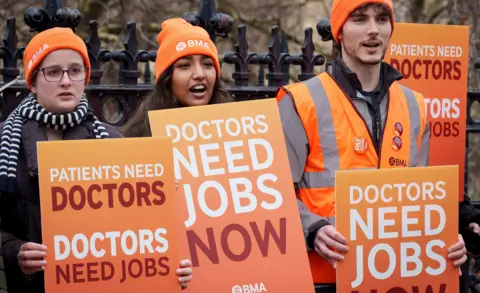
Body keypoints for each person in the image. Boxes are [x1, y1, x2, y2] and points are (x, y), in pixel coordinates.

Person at [276, 1, 468, 292]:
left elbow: (422, 201)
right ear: (340, 31)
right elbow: (273, 196)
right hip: (324, 278)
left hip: (397, 276)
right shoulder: (300, 102)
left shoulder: (415, 105)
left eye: (381, 19)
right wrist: (312, 229)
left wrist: (445, 237)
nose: (373, 31)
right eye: (359, 20)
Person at [0, 27, 192, 293]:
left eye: (75, 71)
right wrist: (14, 250)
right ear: (33, 81)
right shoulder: (5, 142)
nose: (66, 81)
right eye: (53, 72)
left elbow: (142, 234)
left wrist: (172, 264)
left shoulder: (112, 140)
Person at [122, 18, 233, 138]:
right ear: (167, 78)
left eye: (207, 64)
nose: (200, 74)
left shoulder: (236, 128)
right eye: (185, 65)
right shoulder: (140, 136)